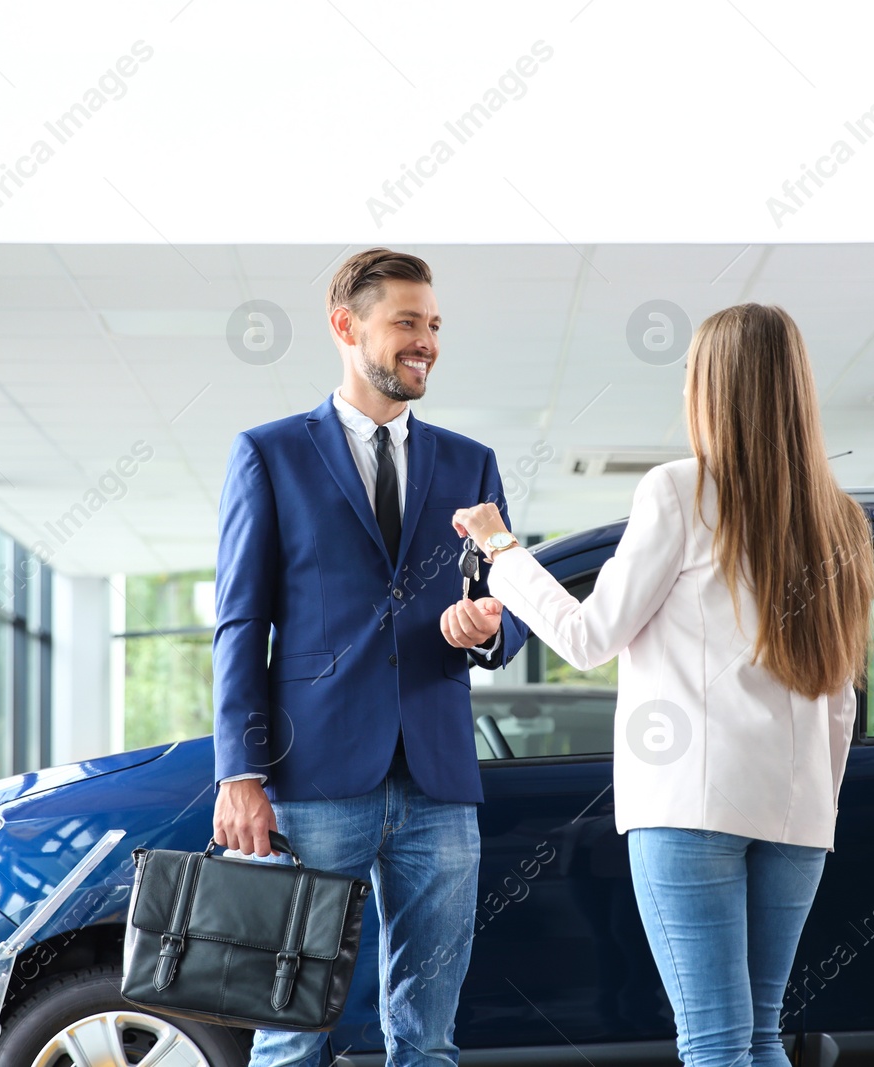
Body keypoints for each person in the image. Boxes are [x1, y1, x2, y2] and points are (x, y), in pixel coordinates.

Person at [451, 303, 874, 1067]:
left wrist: (501, 549)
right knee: (757, 1036)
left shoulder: (681, 491)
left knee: (715, 1043)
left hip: (691, 806)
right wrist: (819, 798)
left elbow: (588, 636)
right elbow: (841, 698)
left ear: (711, 387)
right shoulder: (839, 516)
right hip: (800, 811)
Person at [211, 247, 529, 1067]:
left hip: (438, 781)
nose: (426, 341)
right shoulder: (270, 454)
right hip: (312, 778)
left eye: (433, 325)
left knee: (427, 1039)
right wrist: (238, 773)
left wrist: (485, 626)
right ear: (346, 326)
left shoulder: (470, 463)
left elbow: (510, 609)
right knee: (291, 1031)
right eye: (406, 323)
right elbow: (241, 623)